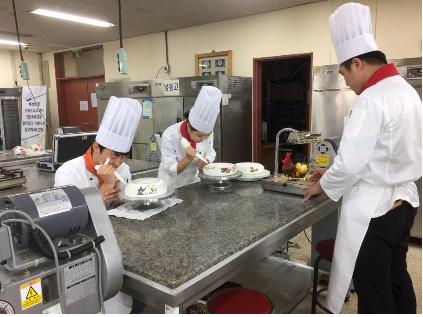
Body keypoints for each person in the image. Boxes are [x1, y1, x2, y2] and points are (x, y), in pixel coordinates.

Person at [304, 2, 421, 314]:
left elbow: (350, 163)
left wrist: (323, 185)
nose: (346, 83)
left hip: (376, 212)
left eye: (344, 74)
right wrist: (329, 177)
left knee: (373, 289)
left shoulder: (371, 99)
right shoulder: (406, 90)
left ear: (356, 63)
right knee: (397, 275)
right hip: (405, 204)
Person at [55, 96, 143, 313]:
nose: (118, 163)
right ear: (96, 147)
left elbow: (125, 203)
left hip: (118, 241)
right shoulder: (68, 172)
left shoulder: (122, 169)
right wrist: (101, 194)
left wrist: (122, 196)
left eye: (123, 157)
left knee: (120, 298)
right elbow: (65, 221)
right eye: (114, 156)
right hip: (82, 247)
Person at [158, 86, 222, 189]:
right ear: (188, 126)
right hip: (171, 185)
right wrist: (188, 158)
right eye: (200, 136)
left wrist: (207, 160)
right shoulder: (170, 135)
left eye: (207, 135)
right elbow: (171, 170)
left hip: (193, 182)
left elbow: (211, 151)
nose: (204, 139)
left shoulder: (207, 133)